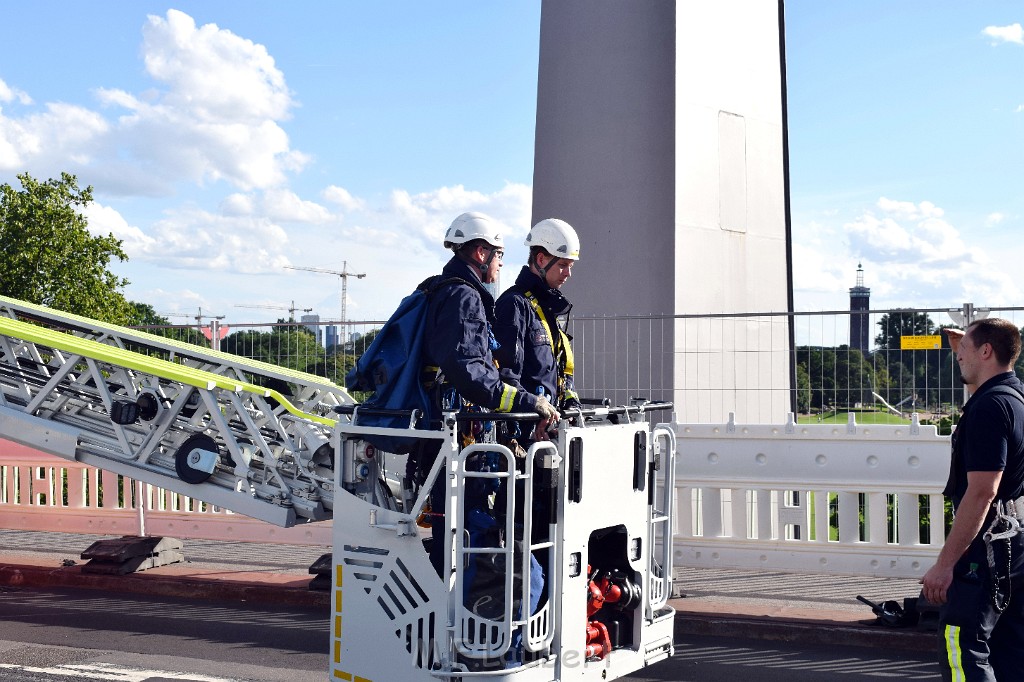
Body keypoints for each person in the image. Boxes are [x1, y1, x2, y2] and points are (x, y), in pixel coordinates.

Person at [416, 211, 559, 577]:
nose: (499, 264)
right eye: (499, 254)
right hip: (461, 442)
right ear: (480, 253)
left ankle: (452, 613)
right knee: (468, 526)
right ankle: (459, 616)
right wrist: (529, 402)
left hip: (456, 438)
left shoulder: (447, 290)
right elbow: (471, 373)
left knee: (459, 524)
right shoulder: (464, 297)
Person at [920, 318, 1024, 681]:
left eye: (963, 350)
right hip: (1015, 541)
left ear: (985, 351)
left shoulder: (988, 409)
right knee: (1010, 647)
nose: (957, 357)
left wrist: (945, 565)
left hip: (988, 545)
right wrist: (963, 339)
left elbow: (983, 491)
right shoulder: (1015, 398)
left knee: (961, 645)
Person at [494, 217, 582, 441]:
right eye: (562, 265)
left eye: (570, 267)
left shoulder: (548, 308)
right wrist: (531, 419)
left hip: (548, 429)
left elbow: (559, 369)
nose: (568, 274)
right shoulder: (514, 304)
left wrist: (570, 403)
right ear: (541, 259)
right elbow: (506, 375)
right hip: (523, 435)